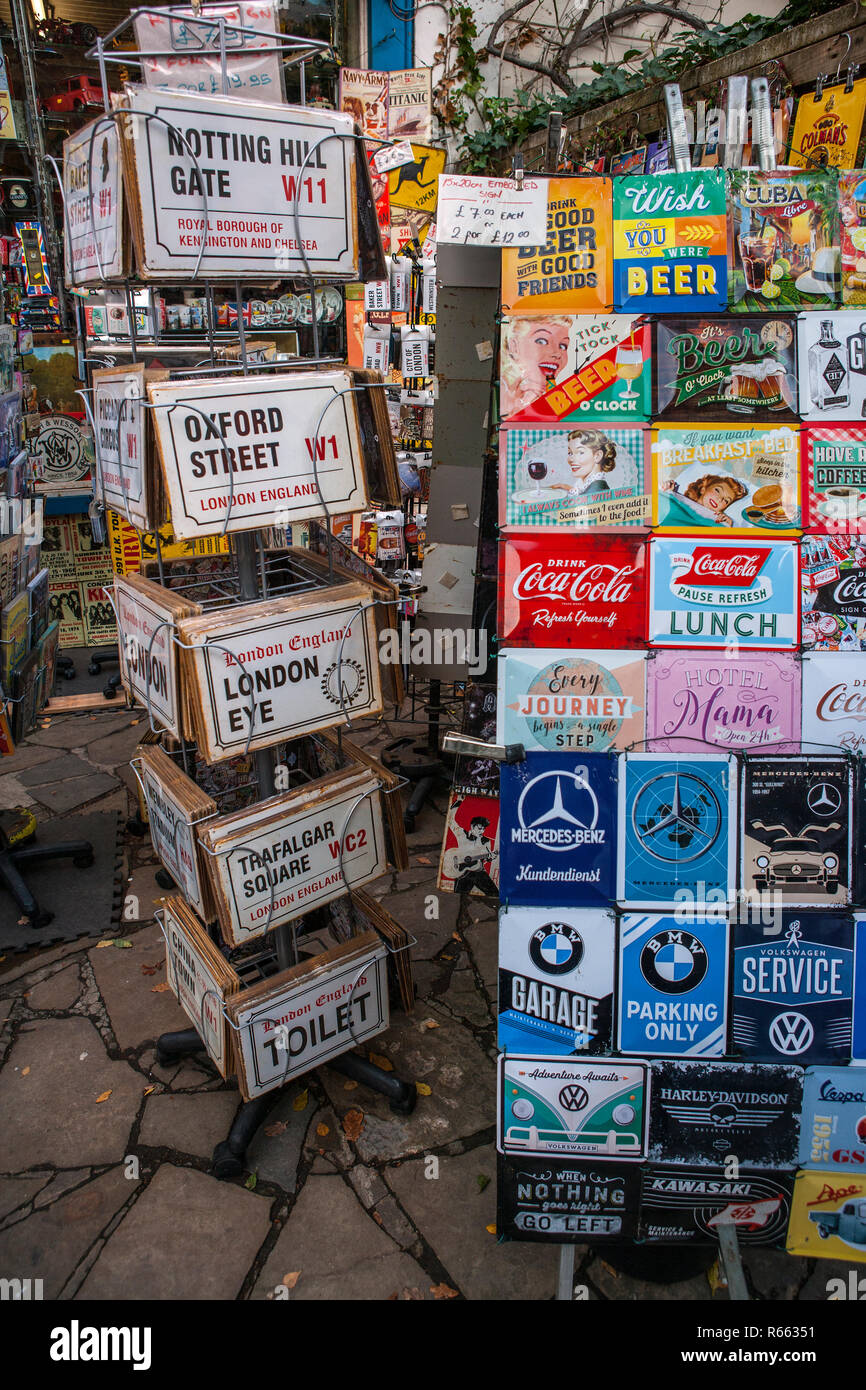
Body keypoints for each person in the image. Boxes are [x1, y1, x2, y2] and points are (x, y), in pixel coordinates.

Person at [500, 316, 570, 416]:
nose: (557, 353)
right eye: (542, 341)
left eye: (563, 346)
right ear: (514, 346)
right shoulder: (504, 390)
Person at [550, 428, 617, 499]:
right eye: (570, 453)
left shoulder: (597, 489)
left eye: (580, 452)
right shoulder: (591, 484)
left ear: (597, 456)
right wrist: (567, 488)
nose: (570, 459)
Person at [662, 472, 746, 525]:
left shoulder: (718, 521)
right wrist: (666, 490)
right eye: (717, 490)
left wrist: (726, 527)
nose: (720, 499)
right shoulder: (678, 499)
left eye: (726, 500)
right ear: (703, 489)